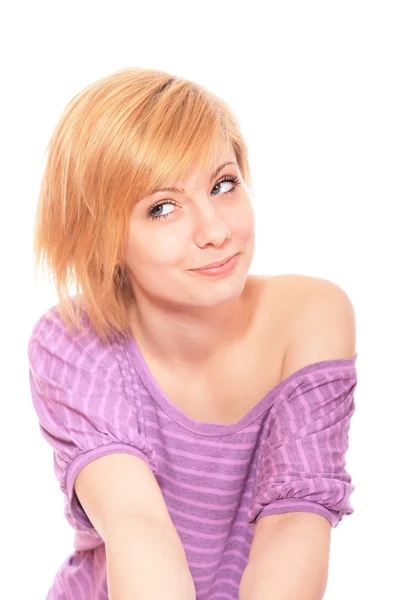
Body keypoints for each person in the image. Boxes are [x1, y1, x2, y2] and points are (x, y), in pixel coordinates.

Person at [27, 66, 358, 600]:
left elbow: (294, 524)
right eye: (163, 208)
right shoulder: (75, 342)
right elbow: (138, 525)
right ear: (103, 237)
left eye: (223, 185)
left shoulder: (312, 318)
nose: (215, 230)